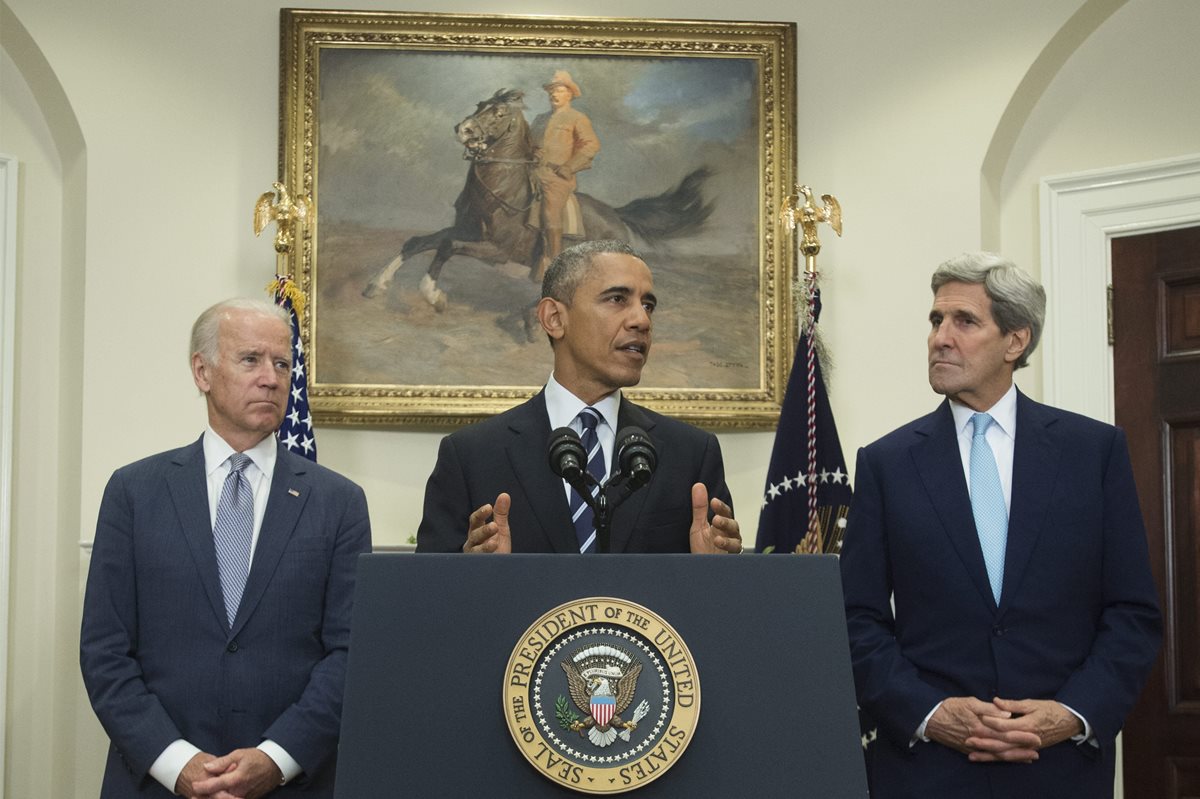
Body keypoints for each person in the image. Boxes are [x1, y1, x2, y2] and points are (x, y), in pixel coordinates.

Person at [839, 252, 1161, 797]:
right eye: (935, 320)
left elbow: (1132, 613)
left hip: (1059, 769)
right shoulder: (886, 463)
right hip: (925, 770)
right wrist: (931, 713)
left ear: (1015, 341)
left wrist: (1072, 713)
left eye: (964, 321)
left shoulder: (1093, 452)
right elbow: (855, 619)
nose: (940, 337)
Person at [80, 299, 372, 798]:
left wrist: (276, 759)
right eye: (251, 360)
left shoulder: (339, 502)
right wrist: (178, 764)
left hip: (293, 784)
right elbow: (105, 652)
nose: (272, 378)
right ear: (202, 371)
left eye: (282, 364)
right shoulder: (134, 492)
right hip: (157, 783)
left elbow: (351, 653)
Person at [417, 239, 740, 555]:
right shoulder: (471, 456)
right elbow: (429, 596)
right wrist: (471, 574)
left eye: (648, 305)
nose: (642, 320)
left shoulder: (692, 453)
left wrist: (715, 570)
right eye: (617, 299)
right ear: (554, 319)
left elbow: (717, 598)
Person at [529, 70, 601, 280]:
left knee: (551, 210)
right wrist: (533, 151)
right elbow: (530, 144)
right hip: (533, 171)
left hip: (557, 177)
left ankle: (553, 261)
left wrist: (570, 166)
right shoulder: (539, 119)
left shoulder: (577, 118)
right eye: (551, 90)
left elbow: (592, 145)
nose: (554, 94)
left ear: (570, 94)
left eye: (559, 90)